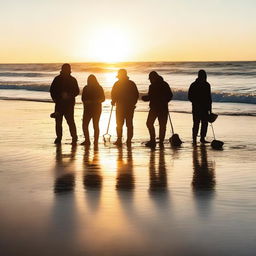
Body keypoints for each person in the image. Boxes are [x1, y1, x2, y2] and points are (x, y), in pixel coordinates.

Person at [50, 63, 80, 144]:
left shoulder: (72, 79)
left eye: (67, 69)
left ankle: (74, 137)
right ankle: (60, 138)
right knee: (60, 122)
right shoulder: (58, 79)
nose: (66, 70)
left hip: (68, 104)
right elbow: (52, 90)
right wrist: (56, 99)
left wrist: (69, 95)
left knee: (69, 121)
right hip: (60, 104)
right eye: (65, 69)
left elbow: (77, 91)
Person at [142, 71, 173, 147]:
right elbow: (169, 95)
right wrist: (146, 98)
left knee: (151, 123)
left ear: (154, 78)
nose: (150, 80)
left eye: (150, 79)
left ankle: (155, 140)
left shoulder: (161, 85)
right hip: (159, 108)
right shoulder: (161, 84)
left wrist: (146, 98)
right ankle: (157, 141)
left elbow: (170, 95)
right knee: (159, 125)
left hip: (158, 108)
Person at [111, 69, 139, 146]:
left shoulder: (117, 84)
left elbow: (113, 94)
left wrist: (113, 101)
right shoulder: (131, 83)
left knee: (120, 124)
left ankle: (120, 139)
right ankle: (128, 140)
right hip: (129, 107)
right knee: (128, 124)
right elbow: (136, 95)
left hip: (121, 107)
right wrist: (133, 103)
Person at [188, 70, 212, 144]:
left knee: (204, 123)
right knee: (197, 123)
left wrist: (210, 109)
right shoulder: (194, 85)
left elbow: (209, 98)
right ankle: (195, 139)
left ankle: (202, 138)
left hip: (203, 107)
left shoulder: (207, 85)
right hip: (197, 108)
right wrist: (196, 103)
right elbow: (190, 97)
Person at [81, 74, 105, 146]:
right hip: (90, 109)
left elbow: (103, 98)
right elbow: (83, 99)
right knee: (86, 125)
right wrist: (87, 101)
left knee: (94, 125)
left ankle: (94, 141)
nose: (90, 82)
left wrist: (96, 101)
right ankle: (88, 140)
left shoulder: (98, 88)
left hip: (94, 109)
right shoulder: (87, 88)